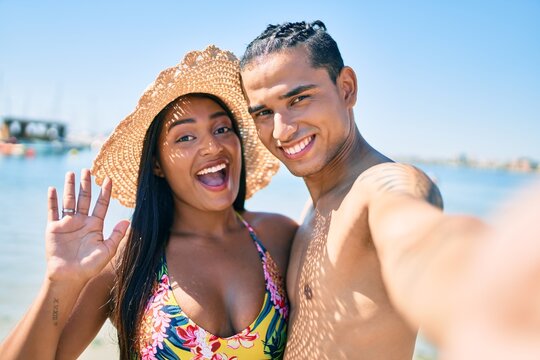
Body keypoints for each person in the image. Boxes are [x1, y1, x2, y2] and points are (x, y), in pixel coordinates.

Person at [239, 20, 540, 360]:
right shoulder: (313, 211)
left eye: (299, 99)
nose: (281, 131)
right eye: (264, 112)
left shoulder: (381, 186)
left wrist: (495, 300)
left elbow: (421, 243)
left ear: (347, 88)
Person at [0, 45, 297, 360]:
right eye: (185, 137)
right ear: (157, 164)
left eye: (222, 129)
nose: (212, 145)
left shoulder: (278, 236)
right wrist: (58, 283)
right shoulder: (130, 256)